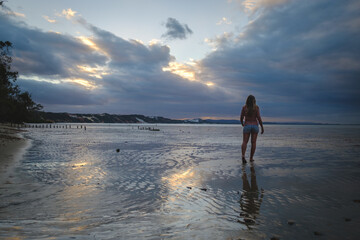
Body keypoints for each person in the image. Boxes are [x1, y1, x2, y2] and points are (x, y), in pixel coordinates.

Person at [240, 95, 264, 163]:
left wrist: (242, 123)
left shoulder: (244, 107)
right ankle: (251, 158)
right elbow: (259, 118)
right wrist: (262, 127)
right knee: (253, 143)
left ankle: (243, 156)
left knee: (245, 142)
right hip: (254, 126)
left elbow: (241, 117)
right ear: (254, 100)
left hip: (247, 125)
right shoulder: (256, 108)